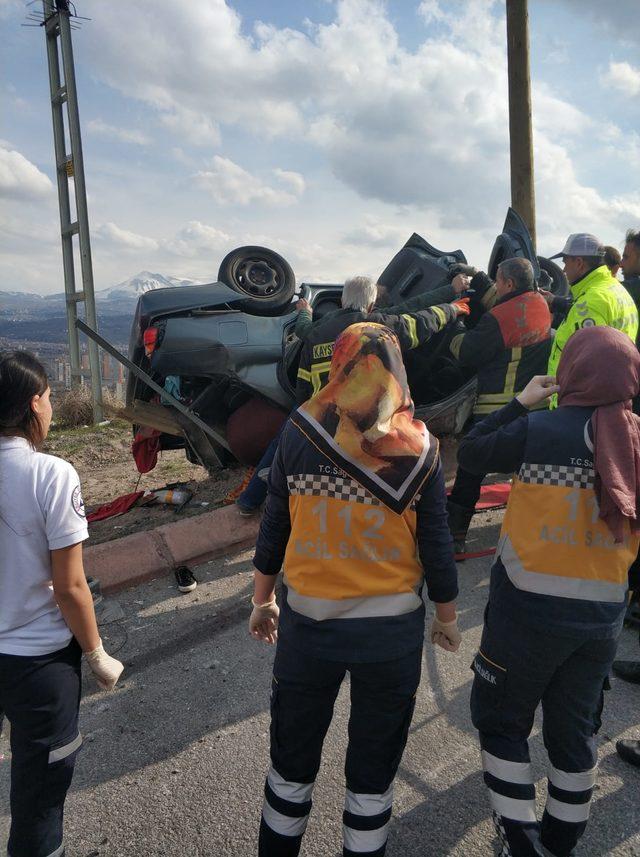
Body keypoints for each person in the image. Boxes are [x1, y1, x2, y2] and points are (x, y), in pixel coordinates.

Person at [249, 322, 460, 857]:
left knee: (290, 767)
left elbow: (275, 526)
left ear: (338, 366)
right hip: (389, 641)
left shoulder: (299, 432)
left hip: (310, 633)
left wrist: (262, 600)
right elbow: (437, 543)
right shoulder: (421, 450)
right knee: (372, 776)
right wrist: (448, 616)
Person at [458, 326, 640, 857]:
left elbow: (470, 455)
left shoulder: (539, 429)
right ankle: (559, 844)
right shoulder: (635, 440)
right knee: (573, 733)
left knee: (500, 722)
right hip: (601, 620)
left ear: (572, 373)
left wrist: (519, 403)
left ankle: (521, 839)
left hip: (525, 612)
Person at [0, 351, 124, 857]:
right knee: (38, 799)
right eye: (50, 398)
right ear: (33, 403)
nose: (51, 408)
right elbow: (70, 586)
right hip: (37, 664)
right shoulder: (51, 474)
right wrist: (97, 654)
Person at [235, 274, 469, 514]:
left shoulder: (316, 331)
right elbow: (419, 321)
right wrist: (451, 309)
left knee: (281, 448)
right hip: (358, 416)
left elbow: (303, 381)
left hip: (318, 409)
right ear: (370, 305)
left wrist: (304, 413)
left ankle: (250, 501)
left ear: (342, 301)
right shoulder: (379, 326)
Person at [446, 258, 552, 553]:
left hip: (498, 409)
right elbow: (502, 298)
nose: (496, 285)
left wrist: (455, 317)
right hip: (537, 409)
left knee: (470, 467)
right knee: (529, 473)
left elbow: (464, 352)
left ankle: (454, 537)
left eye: (497, 280)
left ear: (508, 283)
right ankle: (534, 535)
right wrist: (475, 275)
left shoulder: (496, 319)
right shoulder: (542, 305)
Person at [541, 233, 638, 388]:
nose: (564, 270)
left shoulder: (590, 303)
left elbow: (586, 365)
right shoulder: (617, 290)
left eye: (566, 262)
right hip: (614, 393)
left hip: (581, 402)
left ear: (579, 263)